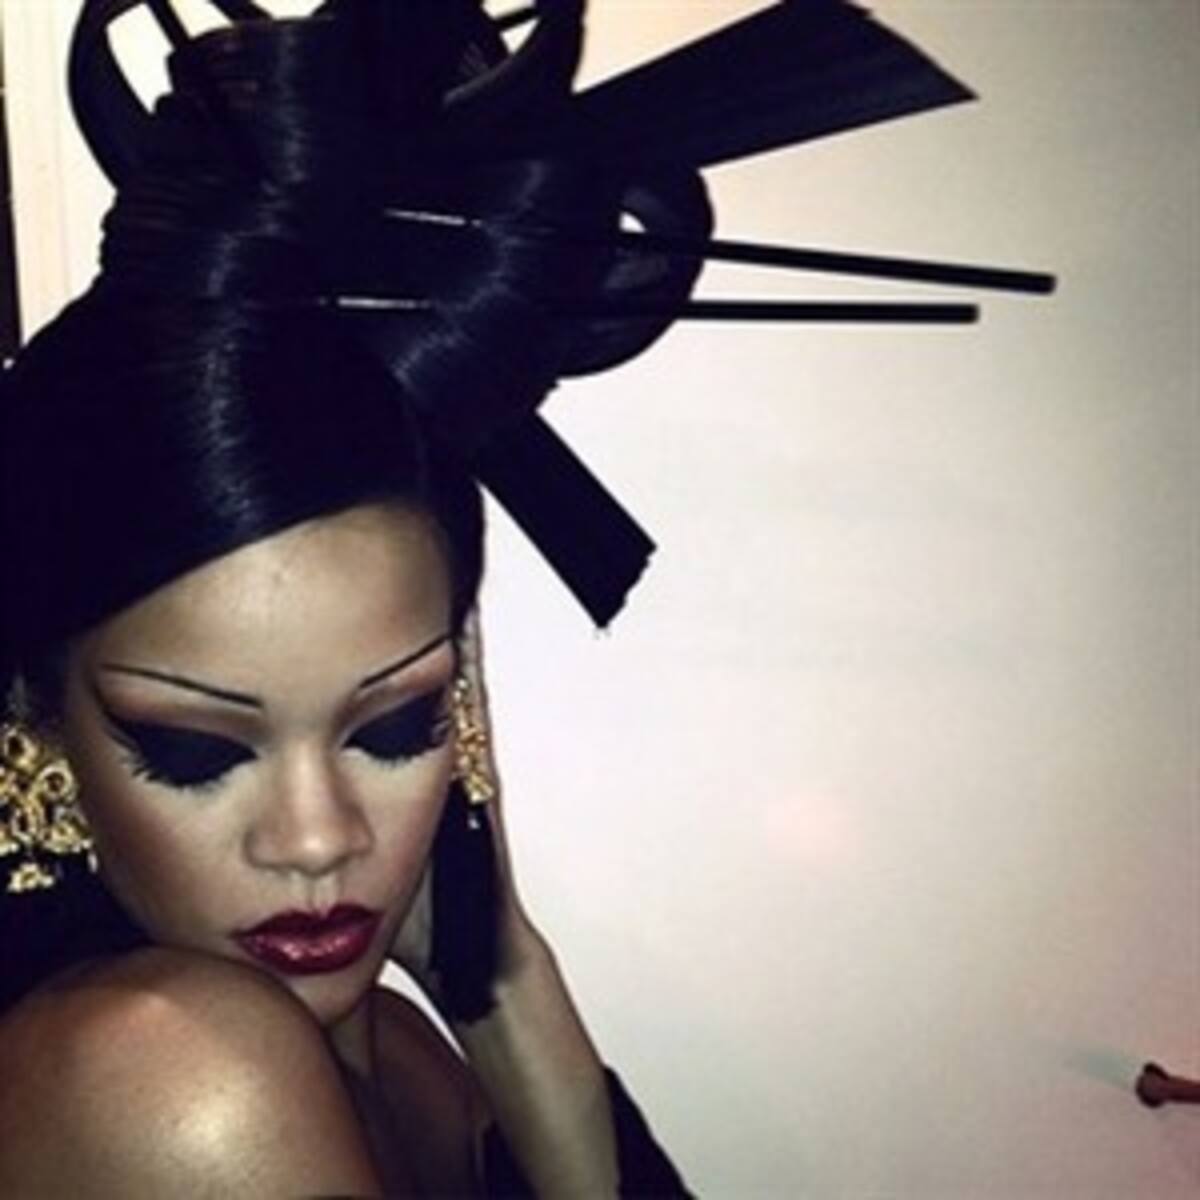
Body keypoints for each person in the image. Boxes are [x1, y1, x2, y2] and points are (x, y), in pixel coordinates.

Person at [0, 1, 1028, 1194]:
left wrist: (499, 972)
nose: (321, 838)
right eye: (195, 751)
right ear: (39, 726)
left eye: (396, 724)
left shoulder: (402, 1049)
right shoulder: (178, 1075)